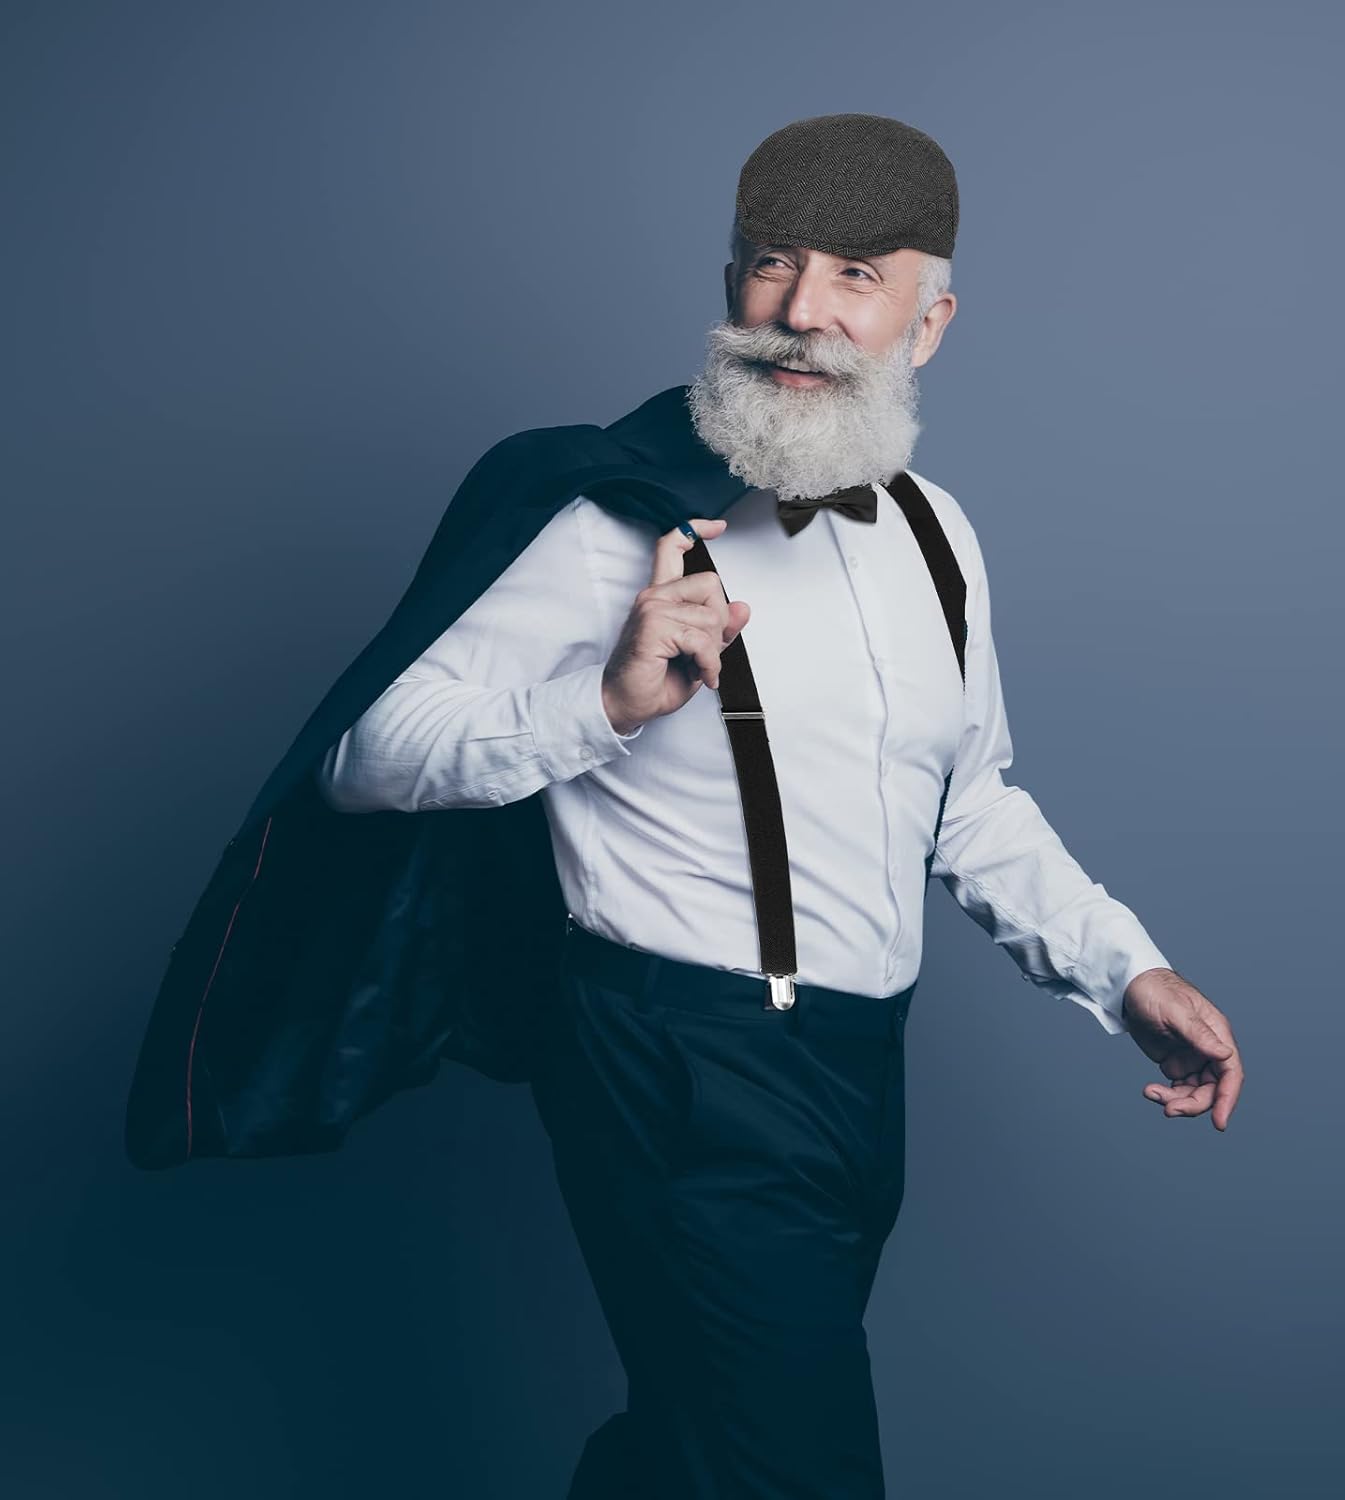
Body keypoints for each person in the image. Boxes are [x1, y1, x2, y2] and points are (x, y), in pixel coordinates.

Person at [313, 113, 1246, 1498]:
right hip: (676, 1068)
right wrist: (603, 701)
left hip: (860, 1074)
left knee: (693, 1451)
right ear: (732, 282)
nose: (803, 312)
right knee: (790, 1471)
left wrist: (1126, 971)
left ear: (929, 323)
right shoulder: (609, 517)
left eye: (857, 274)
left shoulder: (939, 536)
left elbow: (970, 804)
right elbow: (365, 756)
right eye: (772, 263)